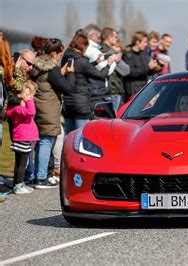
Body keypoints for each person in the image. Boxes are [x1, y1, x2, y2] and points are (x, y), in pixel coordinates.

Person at [29, 38, 75, 188]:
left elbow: (49, 83)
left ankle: (36, 174)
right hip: (48, 108)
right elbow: (67, 88)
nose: (60, 57)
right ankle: (41, 177)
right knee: (46, 141)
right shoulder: (51, 68)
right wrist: (71, 73)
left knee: (40, 142)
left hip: (40, 105)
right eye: (60, 54)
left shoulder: (38, 65)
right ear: (54, 53)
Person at [62, 33, 114, 134]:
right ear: (83, 46)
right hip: (81, 103)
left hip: (68, 102)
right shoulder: (82, 61)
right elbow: (100, 75)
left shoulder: (67, 58)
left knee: (69, 135)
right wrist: (108, 65)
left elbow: (81, 69)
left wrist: (96, 62)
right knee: (79, 135)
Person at [5, 81, 39, 194]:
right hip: (22, 138)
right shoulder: (19, 109)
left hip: (21, 138)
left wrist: (27, 98)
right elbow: (31, 111)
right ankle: (19, 185)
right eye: (27, 94)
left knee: (19, 163)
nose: (30, 98)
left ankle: (17, 183)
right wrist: (28, 100)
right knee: (22, 164)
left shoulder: (17, 109)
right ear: (20, 95)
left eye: (30, 95)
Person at [123, 31, 160, 102]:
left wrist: (155, 68)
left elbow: (147, 70)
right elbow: (131, 72)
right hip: (133, 91)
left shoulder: (145, 52)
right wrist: (148, 67)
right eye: (145, 42)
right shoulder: (128, 55)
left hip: (144, 88)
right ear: (137, 42)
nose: (146, 44)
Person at [101, 27, 130, 111]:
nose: (117, 39)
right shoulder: (110, 52)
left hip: (106, 91)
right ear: (109, 38)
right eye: (116, 37)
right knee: (111, 120)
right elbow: (126, 71)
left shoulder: (99, 50)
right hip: (112, 91)